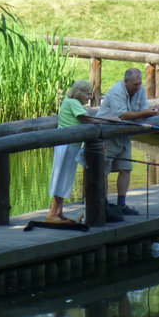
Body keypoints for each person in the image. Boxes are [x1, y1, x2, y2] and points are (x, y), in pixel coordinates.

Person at [95, 68, 159, 215]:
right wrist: (147, 113)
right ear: (126, 81)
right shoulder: (116, 91)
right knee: (103, 170)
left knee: (126, 168)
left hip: (124, 136)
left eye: (139, 84)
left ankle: (121, 205)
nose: (138, 88)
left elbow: (143, 108)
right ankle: (102, 204)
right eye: (135, 85)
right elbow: (123, 115)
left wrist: (149, 111)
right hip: (107, 135)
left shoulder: (140, 90)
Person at [47, 80, 94, 224]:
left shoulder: (74, 103)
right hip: (65, 146)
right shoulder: (72, 102)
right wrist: (105, 120)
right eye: (87, 93)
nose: (90, 97)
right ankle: (52, 213)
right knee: (61, 177)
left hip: (72, 146)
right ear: (79, 92)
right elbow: (86, 119)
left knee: (66, 178)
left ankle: (59, 212)